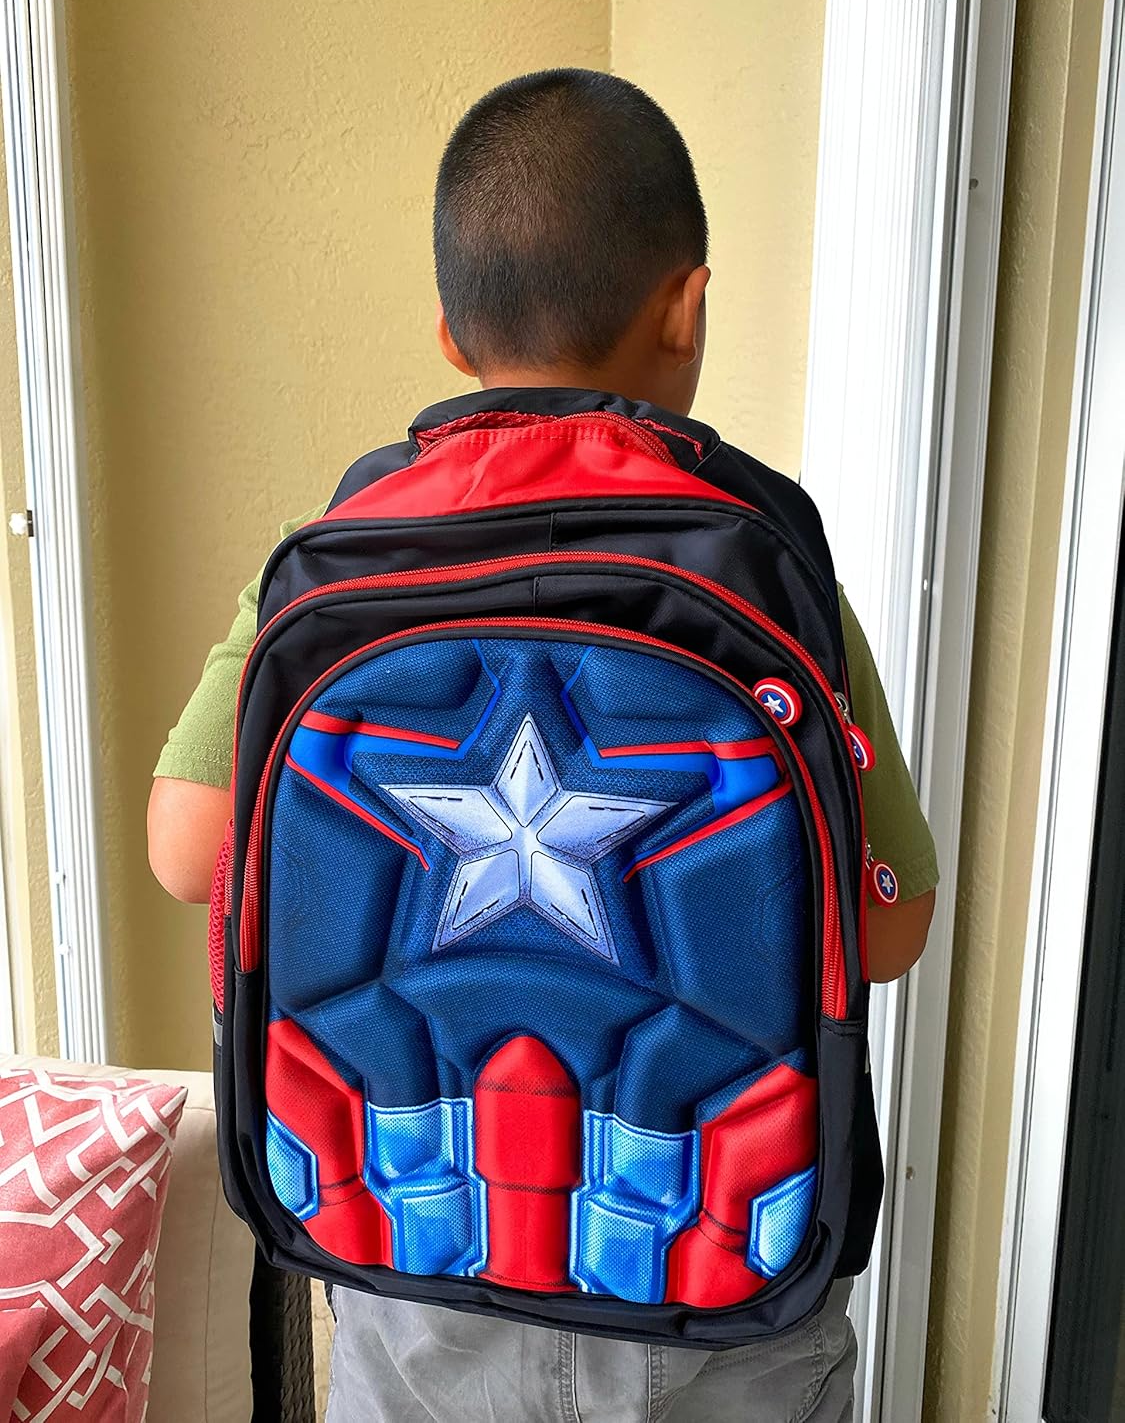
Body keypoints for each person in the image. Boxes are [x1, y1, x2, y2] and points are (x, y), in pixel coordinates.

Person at [148, 69, 938, 1423]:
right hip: (712, 1255)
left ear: (451, 341)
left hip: (412, 1244)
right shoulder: (759, 565)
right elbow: (887, 930)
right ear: (687, 306)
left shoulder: (344, 550)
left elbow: (184, 851)